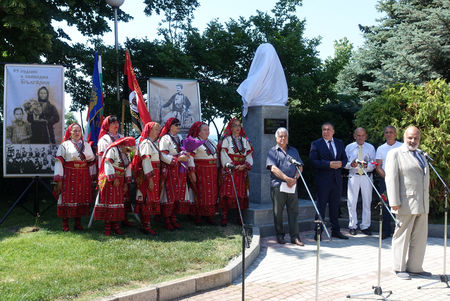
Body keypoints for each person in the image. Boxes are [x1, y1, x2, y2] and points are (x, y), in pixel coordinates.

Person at [385, 126, 431, 280]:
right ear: (404, 137)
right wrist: (394, 201)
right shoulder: (395, 153)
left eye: (416, 138)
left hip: (422, 203)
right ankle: (399, 268)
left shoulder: (421, 155)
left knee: (420, 237)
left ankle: (415, 267)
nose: (413, 141)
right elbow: (391, 178)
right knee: (402, 236)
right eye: (410, 137)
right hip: (405, 203)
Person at [309, 122, 348, 240]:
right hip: (323, 181)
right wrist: (328, 164)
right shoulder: (316, 144)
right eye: (324, 130)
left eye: (328, 129)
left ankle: (335, 231)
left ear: (333, 131)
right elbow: (313, 161)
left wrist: (342, 163)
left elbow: (345, 158)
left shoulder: (339, 143)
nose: (326, 132)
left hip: (337, 180)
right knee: (320, 207)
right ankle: (318, 232)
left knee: (335, 207)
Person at [53, 123, 95, 231]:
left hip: (83, 175)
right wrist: (59, 178)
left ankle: (78, 223)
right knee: (67, 197)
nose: (77, 133)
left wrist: (92, 176)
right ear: (70, 133)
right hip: (69, 175)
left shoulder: (86, 145)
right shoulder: (65, 145)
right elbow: (59, 162)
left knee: (80, 197)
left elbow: (91, 161)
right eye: (74, 131)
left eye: (79, 131)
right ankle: (65, 224)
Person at [266, 127, 304, 246]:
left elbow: (300, 166)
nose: (283, 138)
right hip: (278, 186)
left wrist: (295, 178)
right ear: (276, 138)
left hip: (292, 186)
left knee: (294, 212)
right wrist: (286, 178)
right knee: (278, 212)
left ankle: (295, 237)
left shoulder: (294, 151)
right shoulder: (272, 151)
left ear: (287, 138)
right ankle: (280, 235)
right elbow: (273, 168)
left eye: (285, 136)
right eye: (280, 136)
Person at [95, 137, 135, 236]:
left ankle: (116, 225)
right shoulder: (112, 150)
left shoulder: (126, 153)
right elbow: (107, 163)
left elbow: (128, 167)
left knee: (118, 202)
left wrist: (126, 182)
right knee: (109, 202)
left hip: (120, 180)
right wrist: (113, 178)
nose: (129, 150)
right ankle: (107, 227)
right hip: (110, 179)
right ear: (122, 145)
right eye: (128, 147)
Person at [97, 116, 132, 227]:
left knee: (122, 198)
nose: (116, 125)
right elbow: (102, 159)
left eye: (117, 122)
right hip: (109, 171)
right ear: (107, 125)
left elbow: (128, 155)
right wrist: (108, 175)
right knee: (110, 198)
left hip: (122, 169)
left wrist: (127, 152)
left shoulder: (122, 137)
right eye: (113, 123)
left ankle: (121, 220)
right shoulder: (104, 140)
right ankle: (109, 225)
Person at [218, 118, 253, 226]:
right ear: (231, 127)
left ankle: (239, 217)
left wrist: (245, 165)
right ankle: (224, 216)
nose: (237, 128)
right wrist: (232, 166)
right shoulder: (226, 140)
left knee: (241, 193)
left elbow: (249, 155)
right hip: (230, 170)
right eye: (235, 125)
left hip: (242, 171)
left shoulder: (245, 141)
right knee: (227, 192)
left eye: (239, 125)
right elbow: (223, 154)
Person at [159, 118, 190, 230]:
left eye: (179, 124)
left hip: (180, 170)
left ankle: (173, 217)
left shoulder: (180, 137)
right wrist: (177, 159)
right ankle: (166, 219)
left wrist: (186, 155)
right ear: (170, 126)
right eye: (176, 125)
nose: (178, 126)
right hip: (171, 169)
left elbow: (184, 149)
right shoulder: (165, 138)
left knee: (178, 192)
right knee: (169, 192)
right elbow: (162, 155)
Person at [344, 127, 376, 235]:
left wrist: (367, 166)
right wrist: (351, 164)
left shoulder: (370, 147)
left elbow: (374, 163)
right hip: (354, 175)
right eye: (358, 135)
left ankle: (365, 226)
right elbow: (344, 163)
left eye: (362, 135)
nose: (360, 137)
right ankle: (353, 225)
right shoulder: (349, 147)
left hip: (366, 176)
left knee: (367, 201)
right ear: (354, 136)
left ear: (365, 136)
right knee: (352, 201)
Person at [132, 122, 162, 235]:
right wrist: (149, 179)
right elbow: (146, 160)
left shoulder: (152, 143)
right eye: (155, 129)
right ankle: (145, 225)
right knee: (146, 199)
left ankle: (147, 223)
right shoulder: (146, 143)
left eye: (159, 130)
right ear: (149, 130)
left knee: (151, 198)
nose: (158, 132)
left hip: (154, 173)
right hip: (148, 174)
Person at [188, 122, 219, 225]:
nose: (207, 132)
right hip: (201, 170)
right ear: (199, 131)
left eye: (208, 129)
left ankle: (209, 214)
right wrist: (192, 171)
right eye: (204, 130)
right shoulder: (195, 142)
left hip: (212, 170)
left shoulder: (211, 142)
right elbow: (190, 157)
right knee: (201, 192)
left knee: (211, 192)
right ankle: (198, 215)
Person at [375, 126, 403, 239]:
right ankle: (385, 231)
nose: (388, 134)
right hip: (385, 180)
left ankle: (400, 230)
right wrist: (388, 178)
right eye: (386, 132)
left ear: (395, 134)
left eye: (391, 132)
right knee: (385, 205)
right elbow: (378, 166)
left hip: (401, 180)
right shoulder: (381, 148)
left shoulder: (402, 146)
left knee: (400, 205)